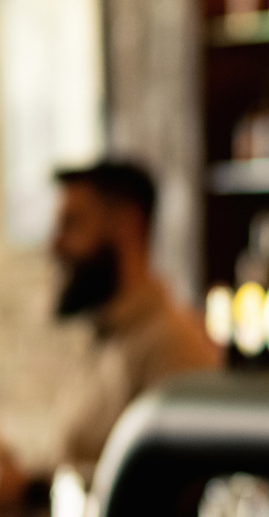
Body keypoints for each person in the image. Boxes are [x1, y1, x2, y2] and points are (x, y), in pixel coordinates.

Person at [46, 160, 221, 468]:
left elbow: (166, 489)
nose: (54, 246)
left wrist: (30, 487)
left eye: (72, 224)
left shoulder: (174, 345)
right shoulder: (106, 335)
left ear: (127, 224)